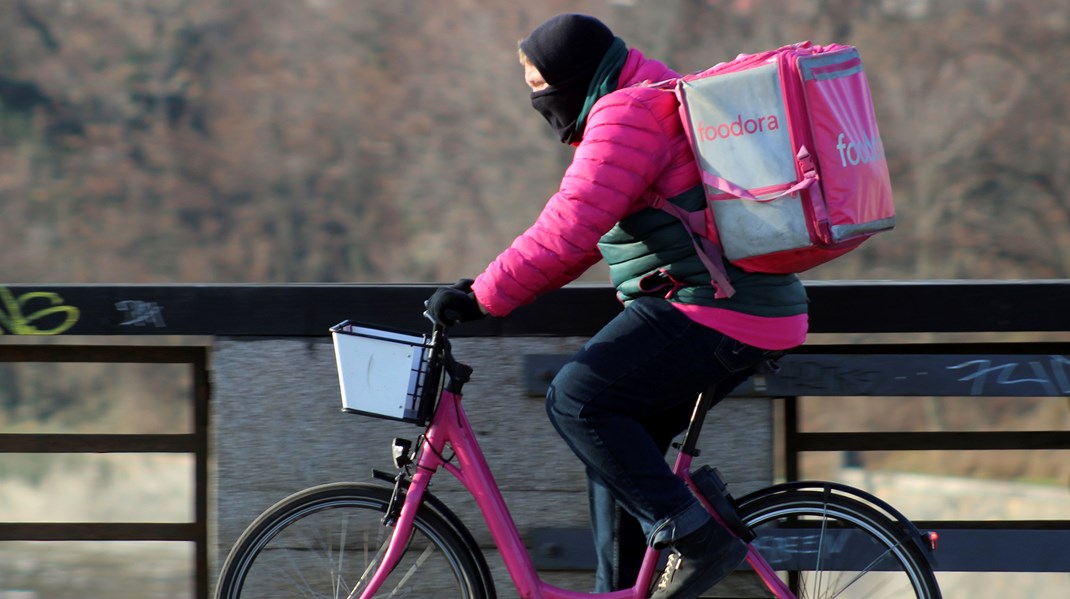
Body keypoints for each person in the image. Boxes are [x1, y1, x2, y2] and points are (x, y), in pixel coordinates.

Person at [425, 13, 808, 599]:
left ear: (575, 75)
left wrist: (482, 296)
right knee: (614, 452)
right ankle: (626, 583)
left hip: (715, 308)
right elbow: (579, 242)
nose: (535, 98)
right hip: (739, 307)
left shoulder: (627, 115)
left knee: (577, 400)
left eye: (537, 83)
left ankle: (699, 538)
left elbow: (569, 230)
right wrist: (488, 286)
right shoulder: (642, 99)